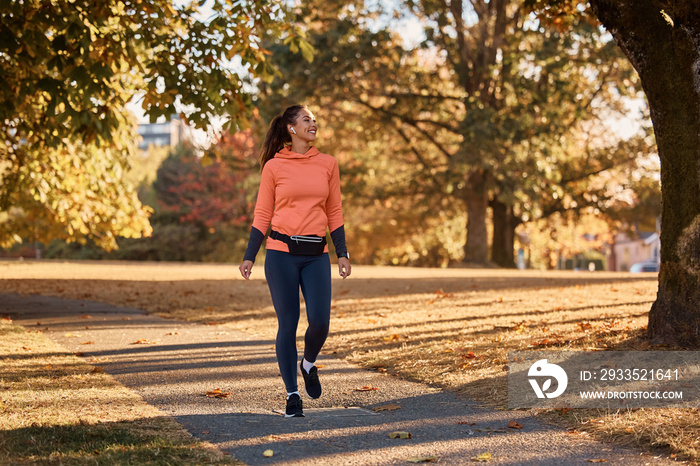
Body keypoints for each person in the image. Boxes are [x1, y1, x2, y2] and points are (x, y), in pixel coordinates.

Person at [239, 104, 351, 418]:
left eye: (315, 119)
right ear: (291, 128)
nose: (313, 123)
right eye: (306, 119)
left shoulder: (328, 164)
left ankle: (308, 363)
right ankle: (292, 395)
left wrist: (341, 253)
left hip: (317, 256)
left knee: (320, 322)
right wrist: (250, 255)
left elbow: (334, 213)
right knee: (287, 324)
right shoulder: (274, 167)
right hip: (280, 254)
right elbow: (262, 214)